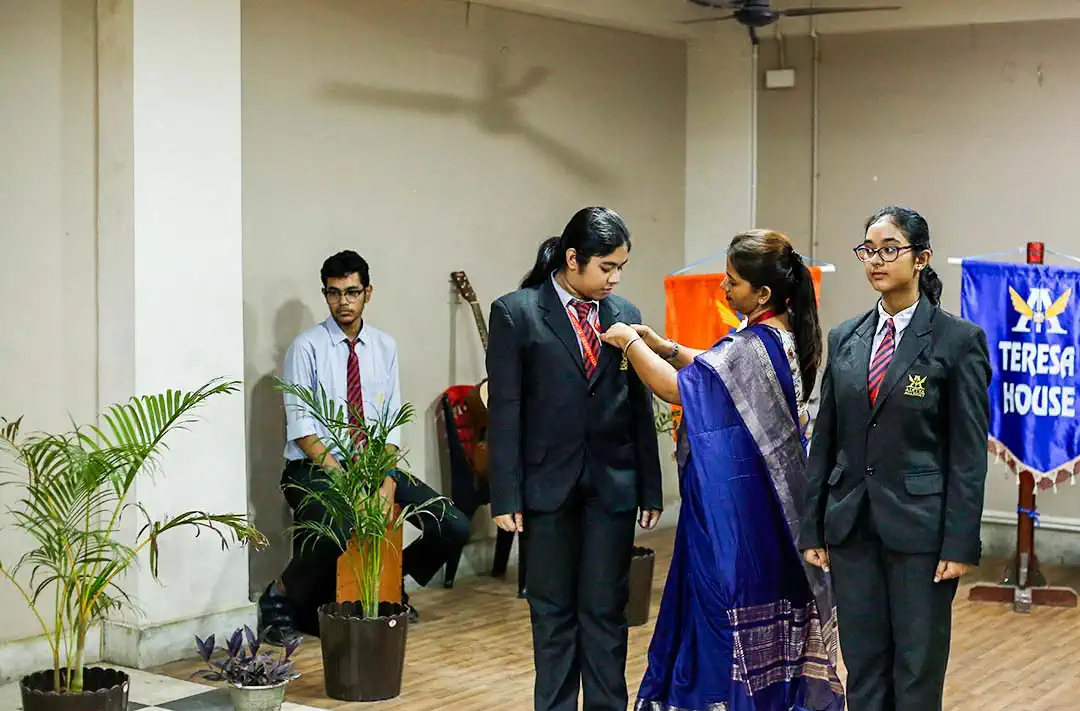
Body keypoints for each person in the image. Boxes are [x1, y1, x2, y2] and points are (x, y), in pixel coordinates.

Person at [601, 229, 845, 711]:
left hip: (738, 520)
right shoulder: (784, 335)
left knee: (720, 618)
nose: (723, 288)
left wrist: (629, 343)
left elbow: (677, 389)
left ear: (763, 293)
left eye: (732, 282)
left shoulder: (751, 345)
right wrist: (666, 346)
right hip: (774, 515)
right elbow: (716, 371)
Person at [799, 206, 992, 711]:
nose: (876, 260)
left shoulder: (958, 341)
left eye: (890, 250)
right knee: (863, 666)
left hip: (921, 533)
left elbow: (968, 453)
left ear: (921, 259)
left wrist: (959, 541)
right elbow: (826, 439)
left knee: (915, 670)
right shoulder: (845, 337)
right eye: (868, 250)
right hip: (852, 526)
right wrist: (813, 526)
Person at [486, 207, 664, 711]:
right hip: (546, 488)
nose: (615, 278)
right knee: (552, 613)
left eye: (621, 267)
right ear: (572, 259)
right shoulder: (516, 313)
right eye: (607, 266)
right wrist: (505, 494)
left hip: (612, 485)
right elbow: (505, 409)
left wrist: (650, 487)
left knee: (606, 611)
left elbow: (638, 406)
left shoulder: (624, 313)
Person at [258, 250, 470, 646]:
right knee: (338, 527)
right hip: (313, 467)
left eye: (352, 292)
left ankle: (389, 584)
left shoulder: (384, 347)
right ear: (326, 294)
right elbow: (303, 430)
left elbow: (391, 422)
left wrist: (385, 479)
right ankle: (278, 598)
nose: (343, 302)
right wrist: (347, 483)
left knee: (453, 524)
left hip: (371, 465)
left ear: (368, 293)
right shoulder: (306, 348)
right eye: (334, 293)